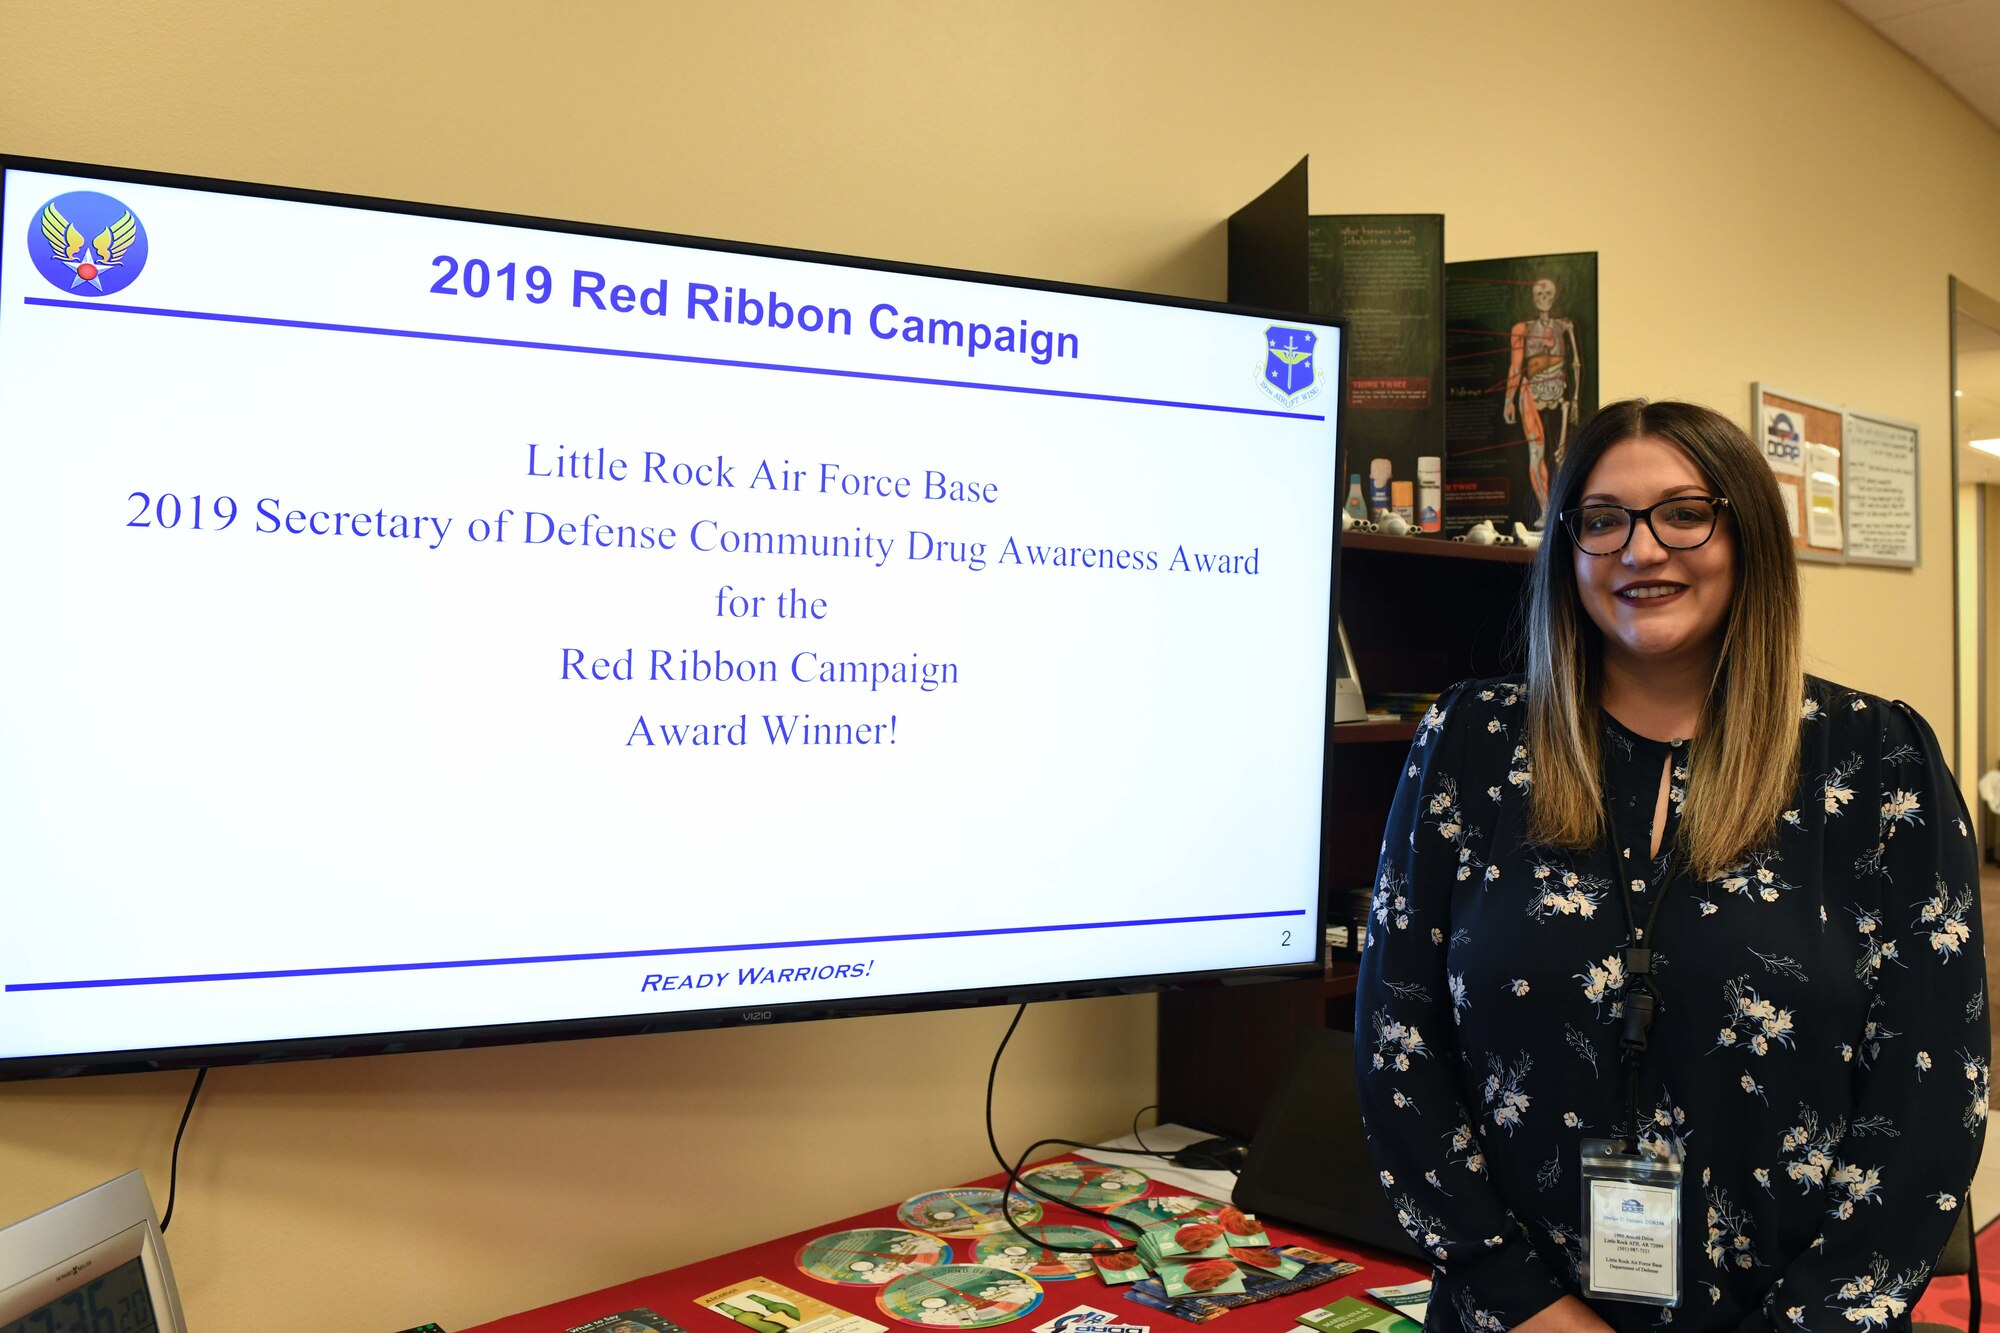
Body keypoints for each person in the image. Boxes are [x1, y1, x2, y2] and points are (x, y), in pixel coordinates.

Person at [1354, 400, 1987, 1333]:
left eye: (1684, 513)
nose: (1641, 551)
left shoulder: (1877, 759)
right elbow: (1396, 1043)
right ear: (1568, 549)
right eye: (1603, 520)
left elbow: (1934, 1088)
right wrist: (1518, 1299)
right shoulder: (1474, 743)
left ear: (1748, 537)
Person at [1504, 278, 1584, 529]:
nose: (1543, 297)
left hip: (1559, 392)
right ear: (1531, 296)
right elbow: (1516, 365)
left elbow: (1576, 363)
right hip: (1531, 391)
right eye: (1539, 293)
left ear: (1555, 295)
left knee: (1561, 454)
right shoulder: (1522, 329)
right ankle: (1545, 509)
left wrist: (1576, 399)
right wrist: (1509, 400)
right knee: (1535, 453)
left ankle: (1560, 512)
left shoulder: (1565, 326)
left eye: (1548, 293)